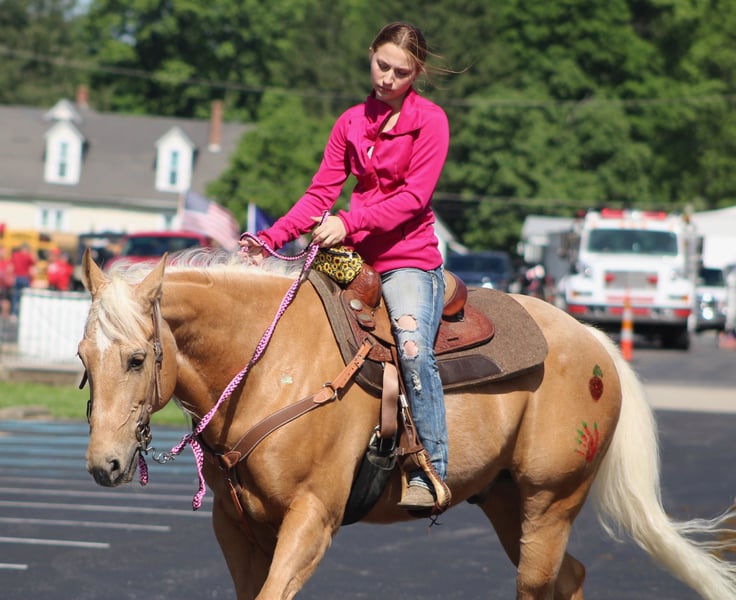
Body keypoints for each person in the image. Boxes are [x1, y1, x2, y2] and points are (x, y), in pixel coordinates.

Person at [241, 22, 450, 510]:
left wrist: (349, 222)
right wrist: (269, 239)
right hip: (352, 258)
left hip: (407, 260)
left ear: (417, 73)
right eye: (382, 65)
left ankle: (430, 468)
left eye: (401, 72)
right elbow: (319, 195)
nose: (388, 78)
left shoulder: (431, 121)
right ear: (371, 54)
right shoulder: (351, 122)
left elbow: (414, 198)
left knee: (412, 345)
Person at [10, 243, 35, 318]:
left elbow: (11, 266)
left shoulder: (15, 255)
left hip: (17, 277)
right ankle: (22, 313)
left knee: (16, 296)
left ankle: (14, 313)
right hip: (24, 278)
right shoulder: (28, 256)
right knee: (24, 296)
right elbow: (34, 263)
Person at [0, 247, 13, 320]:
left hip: (4, 286)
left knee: (6, 300)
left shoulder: (7, 263)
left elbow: (10, 276)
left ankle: (5, 316)